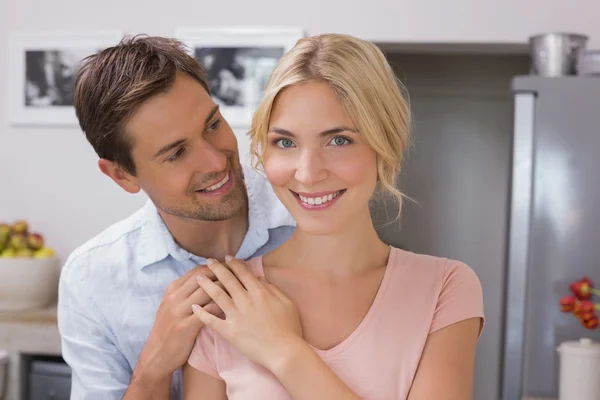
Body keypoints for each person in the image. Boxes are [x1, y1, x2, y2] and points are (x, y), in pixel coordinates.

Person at [182, 33, 485, 399]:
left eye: (338, 140)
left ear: (385, 144)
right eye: (286, 142)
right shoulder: (228, 297)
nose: (308, 173)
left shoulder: (445, 288)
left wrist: (284, 351)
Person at [56, 35, 296, 399]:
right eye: (176, 153)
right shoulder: (92, 281)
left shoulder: (306, 216)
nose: (216, 162)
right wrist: (154, 366)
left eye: (212, 125)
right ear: (122, 175)